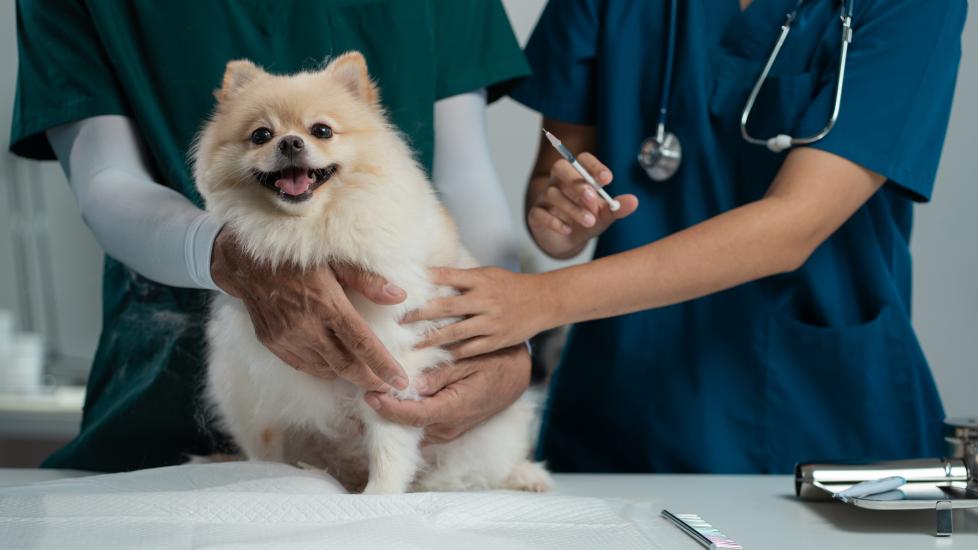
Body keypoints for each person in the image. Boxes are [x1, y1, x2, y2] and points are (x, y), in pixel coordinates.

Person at [371, 0, 968, 473]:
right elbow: (554, 193)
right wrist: (561, 214)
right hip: (628, 402)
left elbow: (793, 225)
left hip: (818, 410)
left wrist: (540, 301)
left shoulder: (909, 4)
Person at [9, 0, 532, 471]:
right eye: (264, 135)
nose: (290, 143)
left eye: (319, 131)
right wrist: (227, 257)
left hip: (424, 403)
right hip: (164, 398)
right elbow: (105, 179)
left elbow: (465, 180)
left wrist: (509, 338)